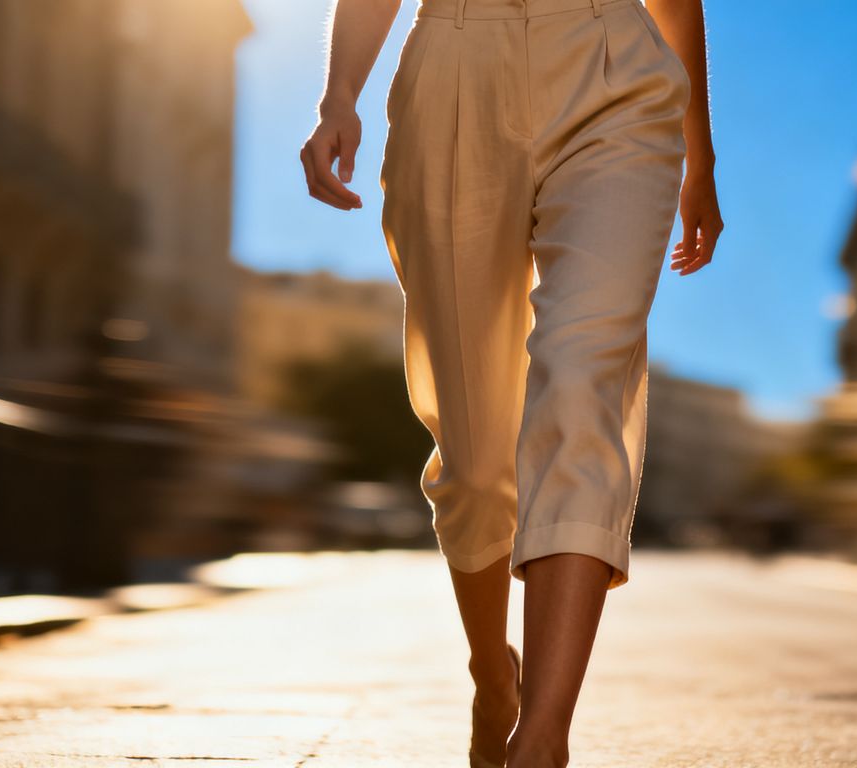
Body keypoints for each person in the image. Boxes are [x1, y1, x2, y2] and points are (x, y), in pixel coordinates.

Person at [299, 0, 721, 765]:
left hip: (612, 71)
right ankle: (495, 677)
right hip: (453, 72)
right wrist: (338, 96)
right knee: (477, 460)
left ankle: (543, 737)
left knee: (580, 384)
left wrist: (702, 157)